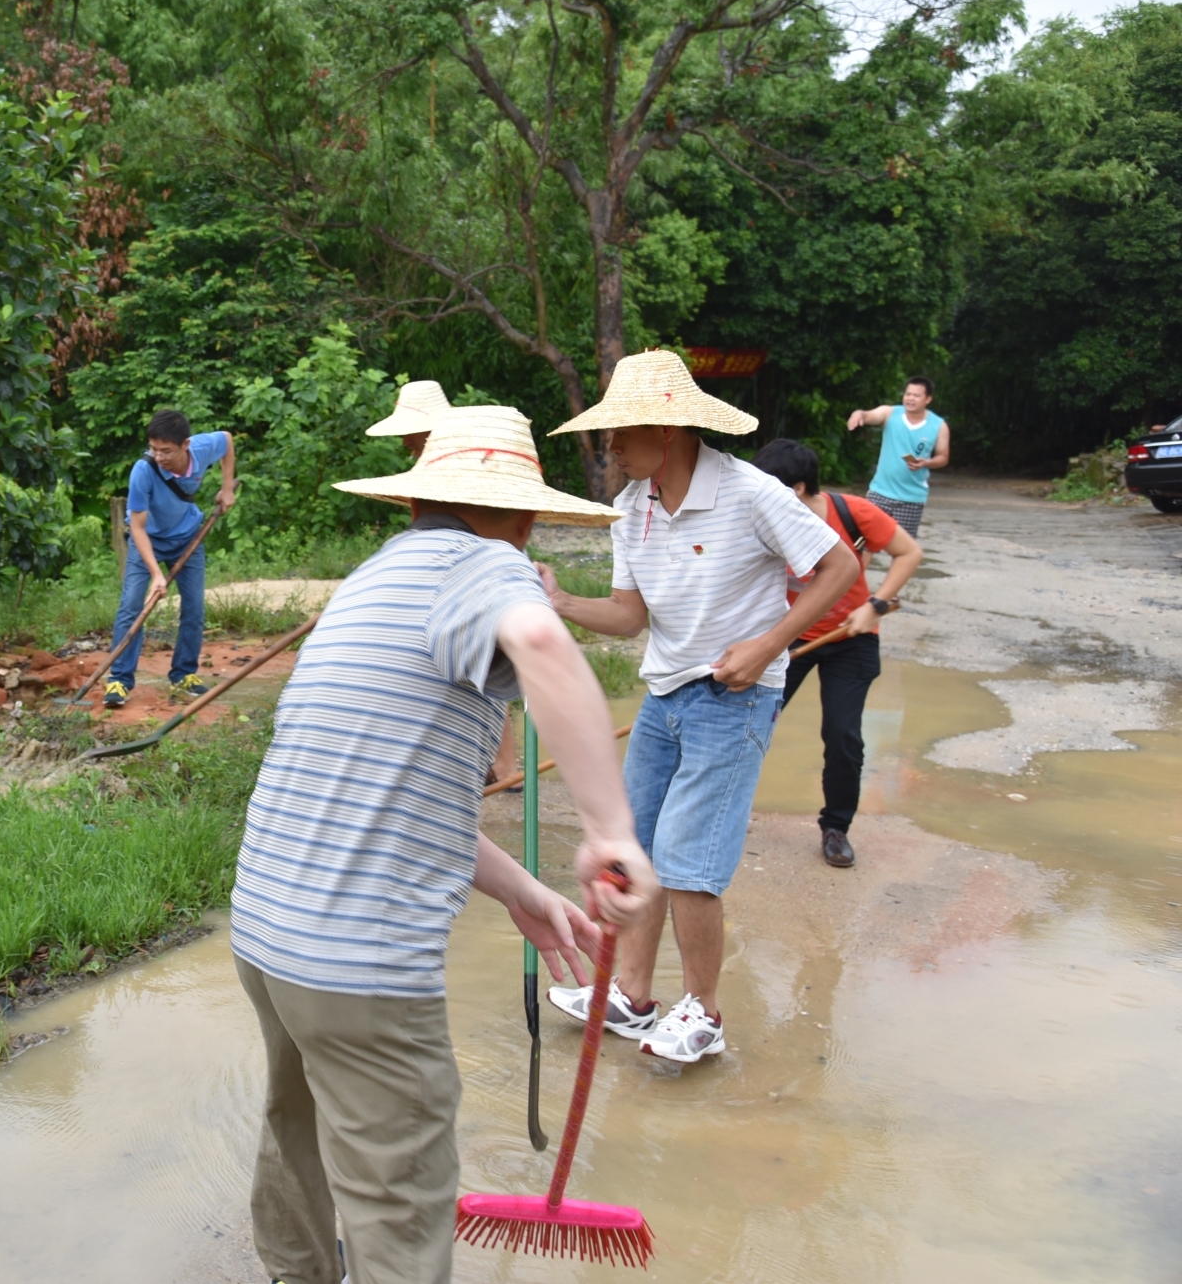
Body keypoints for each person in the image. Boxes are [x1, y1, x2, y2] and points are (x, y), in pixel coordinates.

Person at [230, 405, 659, 1284]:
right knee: (400, 1194)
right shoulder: (488, 567)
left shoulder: (374, 578)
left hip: (269, 934)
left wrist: (520, 890)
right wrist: (612, 832)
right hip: (359, 964)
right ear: (526, 516)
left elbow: (397, 796)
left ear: (417, 501)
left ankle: (299, 1272)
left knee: (296, 1121)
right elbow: (541, 637)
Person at [539, 350, 856, 1064]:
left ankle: (703, 1013)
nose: (612, 447)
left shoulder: (749, 492)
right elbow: (628, 615)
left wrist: (769, 643)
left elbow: (840, 566)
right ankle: (631, 994)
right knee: (637, 848)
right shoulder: (632, 507)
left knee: (689, 862)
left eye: (623, 433)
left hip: (734, 697)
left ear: (672, 430)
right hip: (666, 693)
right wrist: (557, 603)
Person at [751, 438, 923, 868]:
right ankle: (715, 817)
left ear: (796, 489)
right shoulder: (758, 519)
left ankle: (836, 828)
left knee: (843, 736)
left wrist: (876, 604)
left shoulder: (852, 513)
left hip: (850, 638)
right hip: (786, 637)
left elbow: (909, 552)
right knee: (744, 725)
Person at [366, 380, 521, 786]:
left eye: (409, 434)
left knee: (483, 662)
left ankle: (504, 765)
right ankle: (484, 759)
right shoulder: (429, 459)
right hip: (456, 562)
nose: (404, 443)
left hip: (481, 560)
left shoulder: (463, 455)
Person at [102, 409, 237, 709]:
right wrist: (156, 574)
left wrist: (226, 488)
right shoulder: (143, 471)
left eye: (167, 451)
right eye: (154, 449)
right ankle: (120, 680)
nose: (159, 456)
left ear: (185, 445)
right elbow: (136, 528)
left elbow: (227, 440)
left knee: (194, 609)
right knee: (132, 607)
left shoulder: (200, 449)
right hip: (147, 541)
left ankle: (183, 674)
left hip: (188, 538)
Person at [847, 376, 948, 536]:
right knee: (865, 542)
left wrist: (926, 463)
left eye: (916, 395)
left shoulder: (939, 425)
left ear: (928, 399)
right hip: (879, 492)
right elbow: (869, 415)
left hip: (912, 497)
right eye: (908, 394)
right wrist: (859, 415)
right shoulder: (890, 413)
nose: (910, 399)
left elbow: (943, 457)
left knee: (903, 549)